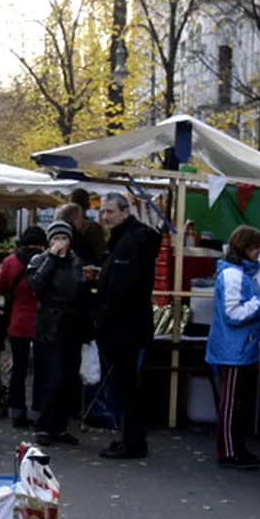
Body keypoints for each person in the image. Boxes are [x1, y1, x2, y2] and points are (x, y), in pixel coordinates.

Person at [96, 192, 161, 459]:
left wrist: (105, 316)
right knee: (127, 384)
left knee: (126, 385)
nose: (105, 217)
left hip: (124, 326)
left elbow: (122, 289)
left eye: (110, 211)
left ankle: (132, 440)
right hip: (131, 323)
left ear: (124, 212)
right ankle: (130, 437)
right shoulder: (131, 239)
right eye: (103, 212)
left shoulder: (129, 243)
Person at [205, 225, 260, 471]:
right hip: (233, 350)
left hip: (240, 348)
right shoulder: (235, 275)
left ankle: (237, 448)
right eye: (256, 248)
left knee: (237, 403)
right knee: (232, 403)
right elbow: (233, 314)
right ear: (244, 248)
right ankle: (229, 451)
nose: (259, 253)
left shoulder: (241, 273)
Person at [28, 220, 90, 446]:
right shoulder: (40, 261)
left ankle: (59, 426)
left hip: (71, 328)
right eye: (56, 239)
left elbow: (81, 294)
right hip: (49, 328)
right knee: (54, 380)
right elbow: (35, 284)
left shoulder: (77, 263)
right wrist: (52, 259)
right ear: (49, 241)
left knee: (68, 381)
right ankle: (43, 426)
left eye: (64, 238)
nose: (60, 243)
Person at [0, 226, 47, 428]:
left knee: (18, 368)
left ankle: (17, 410)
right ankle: (37, 411)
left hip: (18, 320)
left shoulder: (10, 261)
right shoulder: (48, 261)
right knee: (41, 370)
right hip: (42, 321)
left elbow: (0, 287)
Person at [69, 188, 108, 263]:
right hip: (88, 269)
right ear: (88, 204)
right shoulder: (93, 227)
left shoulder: (61, 226)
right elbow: (100, 253)